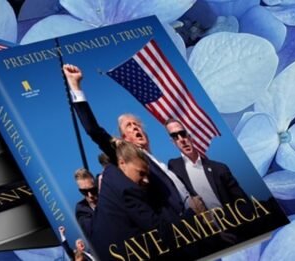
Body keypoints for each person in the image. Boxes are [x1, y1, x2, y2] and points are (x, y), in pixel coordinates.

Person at [62, 64, 203, 217]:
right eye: (129, 126)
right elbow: (93, 130)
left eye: (137, 125)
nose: (136, 128)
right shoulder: (125, 155)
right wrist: (75, 85)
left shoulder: (161, 163)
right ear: (123, 138)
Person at [165, 118, 249, 245]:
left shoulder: (219, 168)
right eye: (175, 137)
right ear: (173, 142)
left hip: (236, 232)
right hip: (206, 238)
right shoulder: (174, 167)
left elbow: (242, 202)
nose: (181, 139)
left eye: (182, 134)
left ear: (189, 136)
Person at [91, 140, 176, 260]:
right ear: (122, 163)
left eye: (147, 175)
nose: (146, 180)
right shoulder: (128, 190)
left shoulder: (109, 173)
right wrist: (192, 214)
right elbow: (159, 229)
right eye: (141, 173)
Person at [73, 168, 98, 237]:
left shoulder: (108, 198)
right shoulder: (81, 209)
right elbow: (94, 233)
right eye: (84, 192)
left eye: (92, 190)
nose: (90, 195)